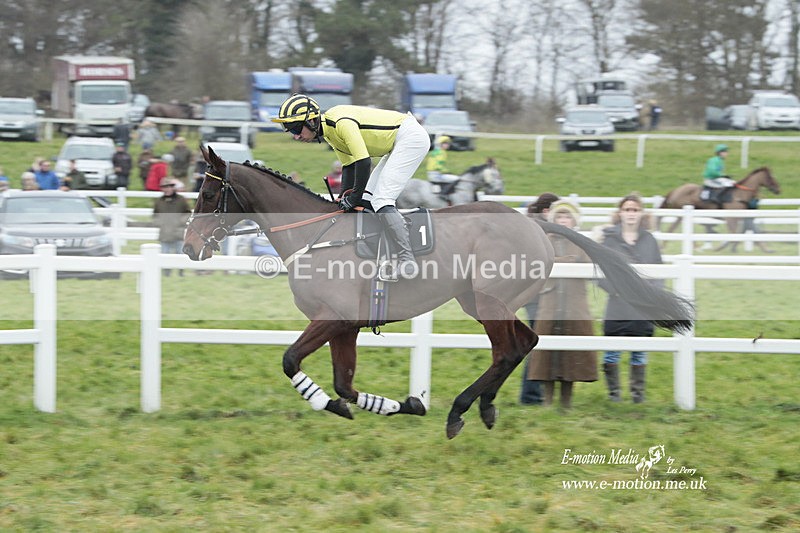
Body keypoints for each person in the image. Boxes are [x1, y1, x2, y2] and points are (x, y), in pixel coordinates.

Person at [272, 94, 430, 279]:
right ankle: (382, 255)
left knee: (381, 199)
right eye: (291, 131)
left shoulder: (340, 123)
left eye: (297, 128)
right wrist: (342, 201)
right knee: (367, 199)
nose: (296, 136)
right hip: (396, 143)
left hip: (410, 138)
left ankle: (407, 261)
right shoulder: (330, 133)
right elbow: (349, 166)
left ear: (313, 119)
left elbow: (364, 162)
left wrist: (352, 198)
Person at [528, 200, 597, 409]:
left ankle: (566, 402)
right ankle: (548, 401)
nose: (563, 221)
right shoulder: (544, 241)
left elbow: (590, 266)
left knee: (572, 353)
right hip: (550, 302)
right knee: (547, 353)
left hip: (575, 304)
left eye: (567, 217)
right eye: (559, 217)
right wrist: (567, 260)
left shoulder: (582, 242)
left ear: (574, 220)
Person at [597, 193, 662, 404]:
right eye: (627, 209)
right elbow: (598, 272)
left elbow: (659, 272)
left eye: (635, 209)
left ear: (641, 213)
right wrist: (615, 289)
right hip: (617, 304)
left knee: (639, 353)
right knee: (612, 353)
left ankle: (637, 395)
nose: (631, 214)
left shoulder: (649, 240)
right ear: (620, 213)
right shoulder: (610, 240)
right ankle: (614, 395)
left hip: (641, 306)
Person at [519, 192, 560, 406]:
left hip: (535, 295)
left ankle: (535, 393)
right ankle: (530, 395)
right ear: (546, 211)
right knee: (537, 343)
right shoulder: (538, 230)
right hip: (537, 296)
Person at [152, 178, 192, 277]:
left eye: (169, 187)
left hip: (178, 232)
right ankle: (166, 273)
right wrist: (159, 223)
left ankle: (181, 273)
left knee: (180, 254)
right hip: (165, 232)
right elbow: (155, 215)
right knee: (164, 254)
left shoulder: (181, 200)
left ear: (173, 188)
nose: (167, 189)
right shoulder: (159, 201)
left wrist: (181, 222)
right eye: (164, 187)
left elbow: (188, 213)